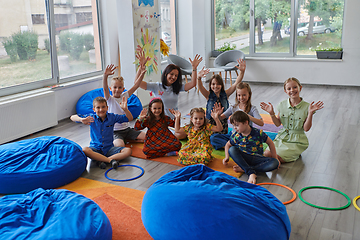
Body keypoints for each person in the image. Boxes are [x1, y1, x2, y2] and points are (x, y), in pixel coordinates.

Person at [260, 77, 324, 163]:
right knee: (267, 154)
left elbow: (306, 129)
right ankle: (253, 168)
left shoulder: (307, 107)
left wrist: (310, 113)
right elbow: (278, 124)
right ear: (285, 91)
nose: (292, 90)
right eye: (289, 88)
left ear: (300, 88)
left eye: (295, 87)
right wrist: (271, 113)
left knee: (276, 158)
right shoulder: (281, 105)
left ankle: (253, 168)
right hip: (282, 138)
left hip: (297, 141)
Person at [70, 97, 133, 169]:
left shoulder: (112, 117)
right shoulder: (91, 118)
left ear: (107, 108)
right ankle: (110, 160)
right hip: (95, 148)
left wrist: (125, 109)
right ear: (94, 109)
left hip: (109, 148)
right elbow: (72, 117)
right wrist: (81, 119)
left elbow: (129, 118)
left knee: (128, 151)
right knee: (85, 150)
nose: (101, 110)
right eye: (98, 107)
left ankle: (100, 160)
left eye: (103, 107)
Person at [102, 50, 149, 147]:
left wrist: (142, 72)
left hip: (127, 129)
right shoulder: (109, 99)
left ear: (123, 89)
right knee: (119, 146)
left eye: (119, 87)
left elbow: (136, 85)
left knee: (148, 137)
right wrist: (105, 76)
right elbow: (105, 88)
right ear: (111, 89)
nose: (117, 90)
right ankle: (125, 141)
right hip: (115, 132)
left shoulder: (124, 95)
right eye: (114, 87)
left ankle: (129, 139)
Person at [139, 54, 203, 120]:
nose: (173, 77)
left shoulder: (177, 87)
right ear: (166, 74)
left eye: (176, 76)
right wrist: (141, 67)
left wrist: (194, 68)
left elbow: (193, 84)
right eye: (171, 74)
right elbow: (138, 83)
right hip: (160, 120)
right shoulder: (156, 86)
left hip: (173, 120)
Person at [222, 111, 279, 184]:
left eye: (237, 125)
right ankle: (250, 172)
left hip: (257, 158)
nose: (235, 128)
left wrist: (275, 157)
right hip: (244, 158)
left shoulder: (258, 133)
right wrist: (226, 157)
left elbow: (270, 143)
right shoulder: (236, 135)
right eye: (233, 126)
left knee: (275, 162)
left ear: (246, 122)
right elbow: (228, 145)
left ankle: (245, 168)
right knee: (232, 149)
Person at [197, 58, 246, 136]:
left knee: (219, 137)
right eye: (213, 84)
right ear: (210, 85)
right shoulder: (208, 95)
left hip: (222, 122)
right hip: (210, 124)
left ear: (221, 85)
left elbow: (236, 83)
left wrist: (242, 72)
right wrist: (199, 78)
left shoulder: (226, 94)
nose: (215, 86)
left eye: (218, 84)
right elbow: (200, 87)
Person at [210, 82, 264, 149]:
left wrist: (248, 116)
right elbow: (221, 118)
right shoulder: (233, 107)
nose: (241, 97)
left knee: (253, 142)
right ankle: (232, 147)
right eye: (239, 95)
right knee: (213, 138)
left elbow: (261, 123)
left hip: (245, 137)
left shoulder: (252, 109)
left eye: (244, 95)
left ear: (249, 95)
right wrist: (217, 115)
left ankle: (231, 147)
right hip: (233, 136)